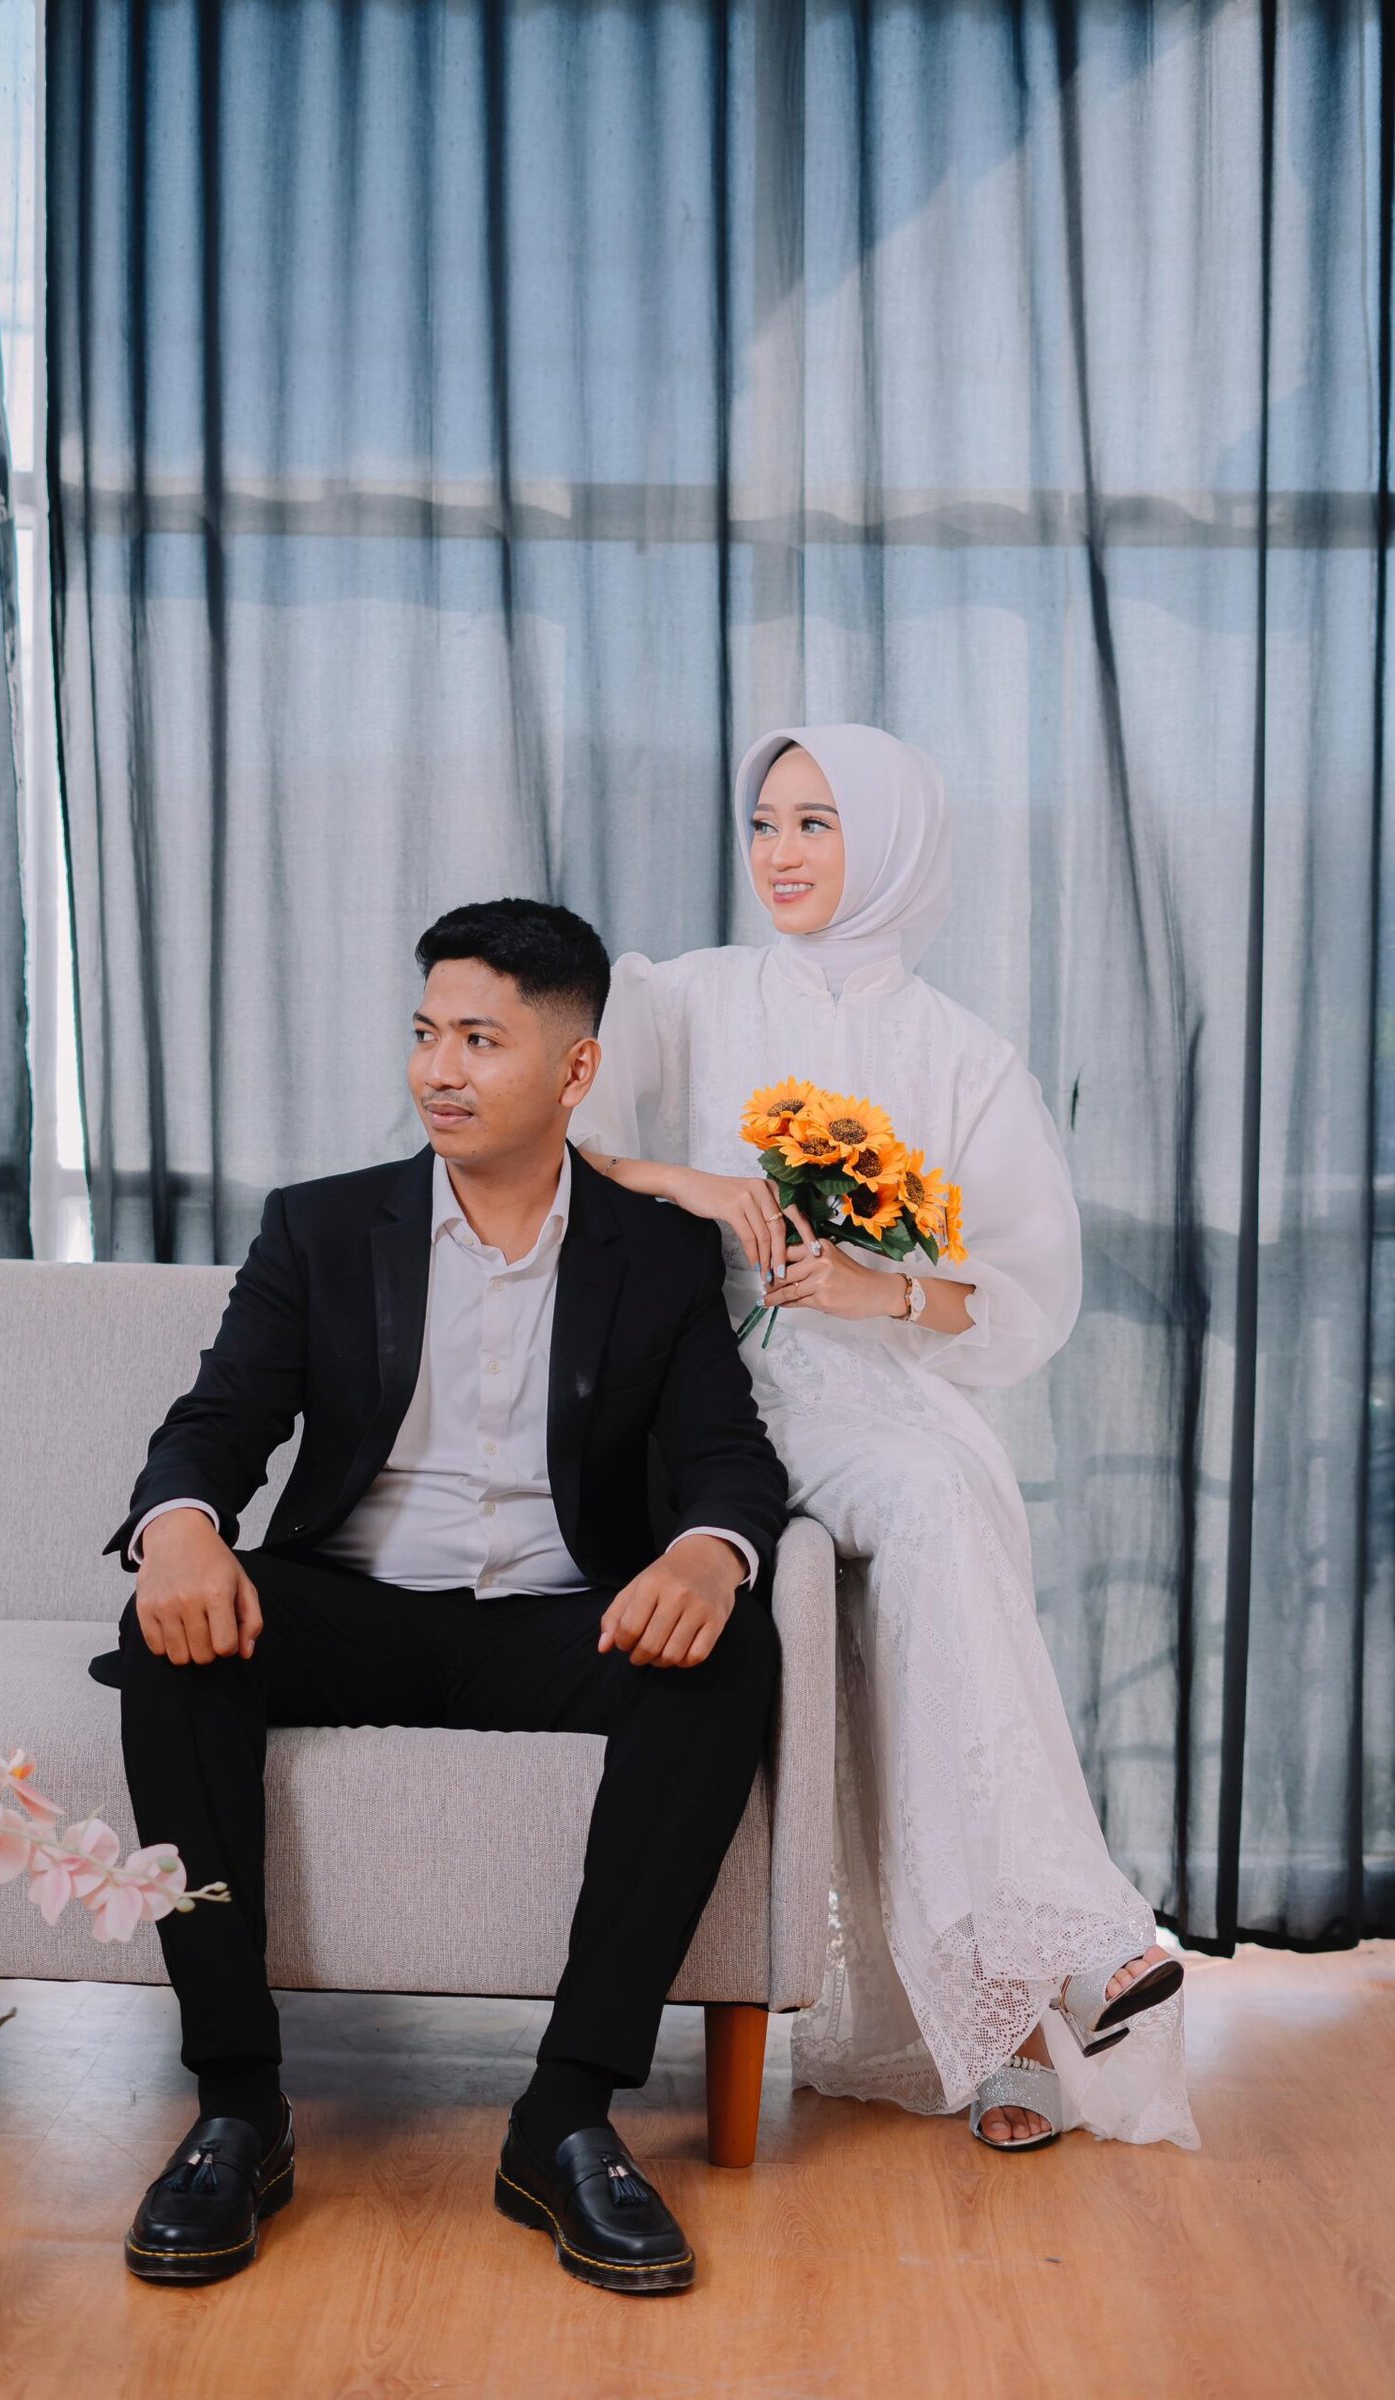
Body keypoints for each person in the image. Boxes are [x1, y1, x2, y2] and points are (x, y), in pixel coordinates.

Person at [89, 898, 786, 2293]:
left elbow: (729, 1457)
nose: (438, 1072)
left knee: (730, 1649)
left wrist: (711, 1551)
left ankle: (566, 2115)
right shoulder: (323, 1227)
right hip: (355, 1605)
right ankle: (238, 2105)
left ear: (576, 1070)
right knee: (169, 1641)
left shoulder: (653, 1253)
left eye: (480, 1040)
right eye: (426, 1034)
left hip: (559, 1619)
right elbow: (219, 1422)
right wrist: (179, 1525)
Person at [570, 726, 1197, 2152]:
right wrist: (689, 1181)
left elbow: (1019, 1291)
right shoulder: (682, 998)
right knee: (938, 1517)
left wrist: (881, 1290)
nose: (780, 852)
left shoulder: (965, 1053)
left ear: (894, 842)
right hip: (703, 1401)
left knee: (936, 1505)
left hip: (870, 1400)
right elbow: (555, 1137)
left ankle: (1036, 1991)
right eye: (765, 821)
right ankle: (1064, 1973)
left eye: (818, 822)